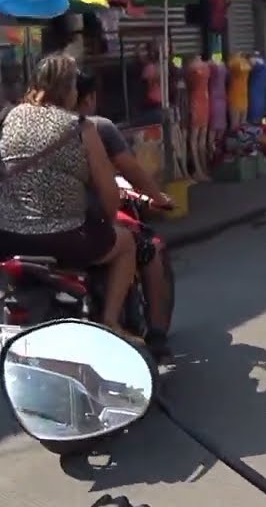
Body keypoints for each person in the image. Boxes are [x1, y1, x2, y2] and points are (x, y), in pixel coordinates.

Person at [0, 53, 142, 345]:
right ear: (69, 89)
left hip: (5, 238)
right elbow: (109, 195)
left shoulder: (5, 118)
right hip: (64, 239)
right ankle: (110, 320)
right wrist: (107, 224)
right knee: (126, 244)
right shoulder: (81, 128)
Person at [75, 71, 174, 355]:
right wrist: (158, 197)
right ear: (89, 98)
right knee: (147, 247)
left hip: (30, 228)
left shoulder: (30, 128)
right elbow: (131, 170)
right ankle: (153, 332)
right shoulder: (93, 128)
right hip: (83, 225)